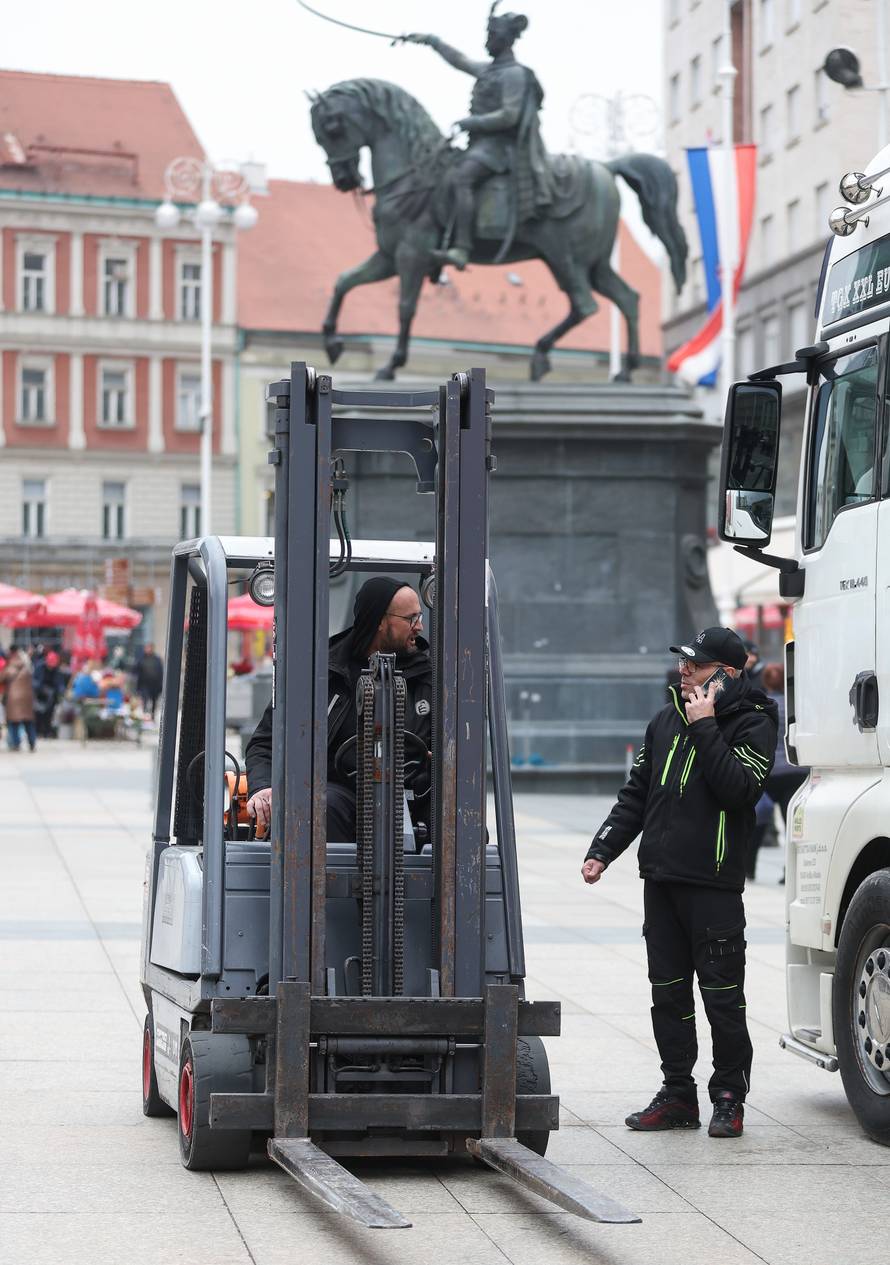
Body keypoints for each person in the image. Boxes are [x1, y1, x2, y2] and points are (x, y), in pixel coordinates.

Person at [581, 626, 778, 1139]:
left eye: (696, 664)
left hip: (712, 885)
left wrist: (706, 725)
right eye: (684, 662)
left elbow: (739, 791)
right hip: (661, 880)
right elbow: (636, 795)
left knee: (723, 998)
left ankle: (729, 1096)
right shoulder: (664, 720)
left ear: (728, 674)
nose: (684, 670)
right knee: (667, 995)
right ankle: (677, 1095)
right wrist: (603, 849)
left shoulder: (754, 722)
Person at [245, 578, 432, 841]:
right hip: (340, 793)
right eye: (411, 618)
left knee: (466, 831)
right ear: (379, 621)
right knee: (317, 808)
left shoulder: (432, 677)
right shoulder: (320, 674)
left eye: (419, 616)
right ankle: (321, 883)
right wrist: (263, 787)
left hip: (413, 795)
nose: (420, 627)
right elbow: (266, 743)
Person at [403, 10, 553, 269]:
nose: (487, 41)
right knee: (442, 172)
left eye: (492, 35)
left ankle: (462, 248)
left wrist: (470, 122)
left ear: (505, 39)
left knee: (462, 177)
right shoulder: (489, 70)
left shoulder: (514, 74)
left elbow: (510, 115)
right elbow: (459, 59)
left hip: (501, 149)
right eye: (488, 35)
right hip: (481, 146)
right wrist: (431, 41)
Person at [1, 646, 37, 752]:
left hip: (14, 698)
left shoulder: (11, 666)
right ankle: (32, 743)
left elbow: (1, 678)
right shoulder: (27, 665)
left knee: (14, 722)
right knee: (28, 721)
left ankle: (16, 744)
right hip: (27, 698)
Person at [33, 650, 63, 738]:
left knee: (49, 715)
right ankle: (38, 732)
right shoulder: (39, 667)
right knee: (38, 715)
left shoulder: (57, 670)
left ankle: (47, 732)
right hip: (39, 695)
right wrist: (41, 688)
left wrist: (60, 690)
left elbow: (60, 683)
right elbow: (34, 681)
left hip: (51, 696)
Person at [135, 644, 164, 718]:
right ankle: (145, 715)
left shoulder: (157, 659)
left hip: (155, 685)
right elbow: (137, 671)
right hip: (144, 684)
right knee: (145, 699)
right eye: (147, 648)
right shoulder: (141, 659)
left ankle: (152, 715)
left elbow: (160, 672)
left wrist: (161, 685)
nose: (148, 649)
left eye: (149, 648)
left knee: (154, 701)